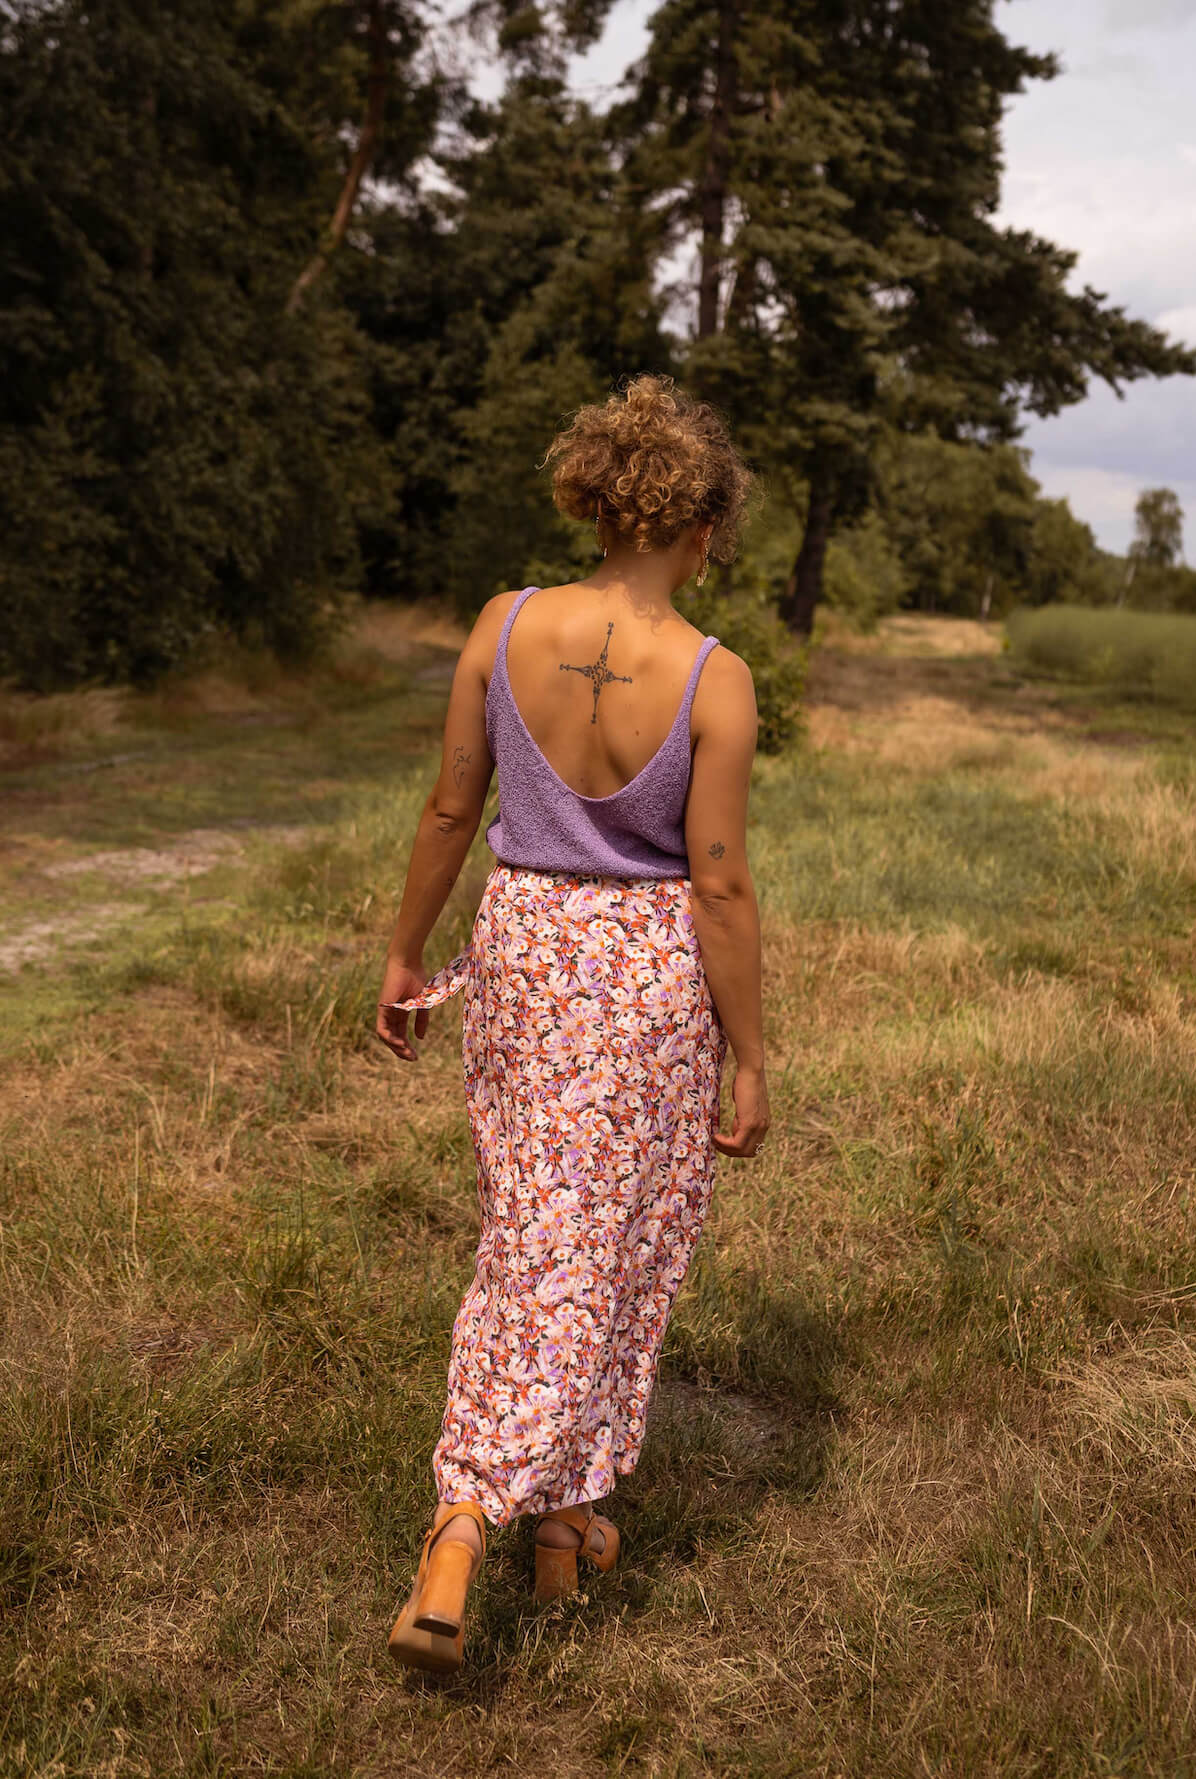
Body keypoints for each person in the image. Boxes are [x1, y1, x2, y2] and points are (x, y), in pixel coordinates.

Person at [376, 372, 769, 1675]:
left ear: (594, 498)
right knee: (616, 1248)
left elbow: (447, 810)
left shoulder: (505, 623)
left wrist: (404, 951)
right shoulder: (717, 682)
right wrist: (751, 1057)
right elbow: (718, 883)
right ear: (703, 524)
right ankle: (473, 1517)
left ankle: (558, 1527)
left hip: (530, 946)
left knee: (535, 1232)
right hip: (651, 977)